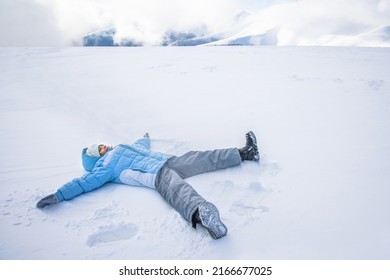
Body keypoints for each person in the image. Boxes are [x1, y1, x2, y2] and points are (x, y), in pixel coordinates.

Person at [36, 131, 259, 239]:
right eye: (99, 150)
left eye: (101, 145)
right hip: (156, 175)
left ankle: (244, 153)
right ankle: (203, 215)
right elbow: (82, 183)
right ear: (95, 159)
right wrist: (59, 195)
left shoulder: (120, 147)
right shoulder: (103, 168)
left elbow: (139, 144)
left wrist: (145, 137)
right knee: (179, 191)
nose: (103, 147)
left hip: (168, 160)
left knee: (200, 157)